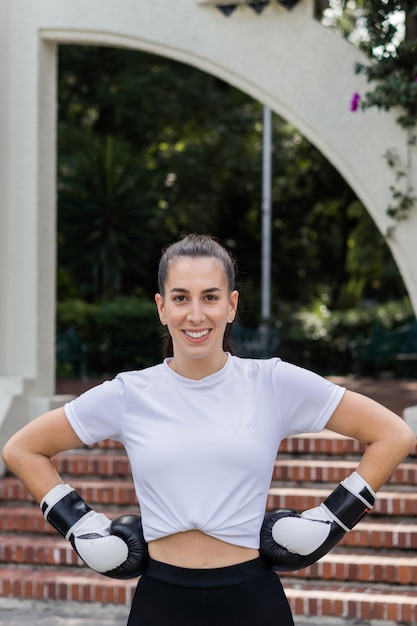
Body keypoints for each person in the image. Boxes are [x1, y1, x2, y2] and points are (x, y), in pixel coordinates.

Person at [2, 233, 416, 626]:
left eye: (210, 297)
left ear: (231, 306)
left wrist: (333, 520)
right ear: (162, 308)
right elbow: (23, 449)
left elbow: (393, 434)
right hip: (161, 603)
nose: (195, 314)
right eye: (181, 298)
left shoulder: (272, 382)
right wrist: (79, 525)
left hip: (253, 602)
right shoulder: (129, 393)